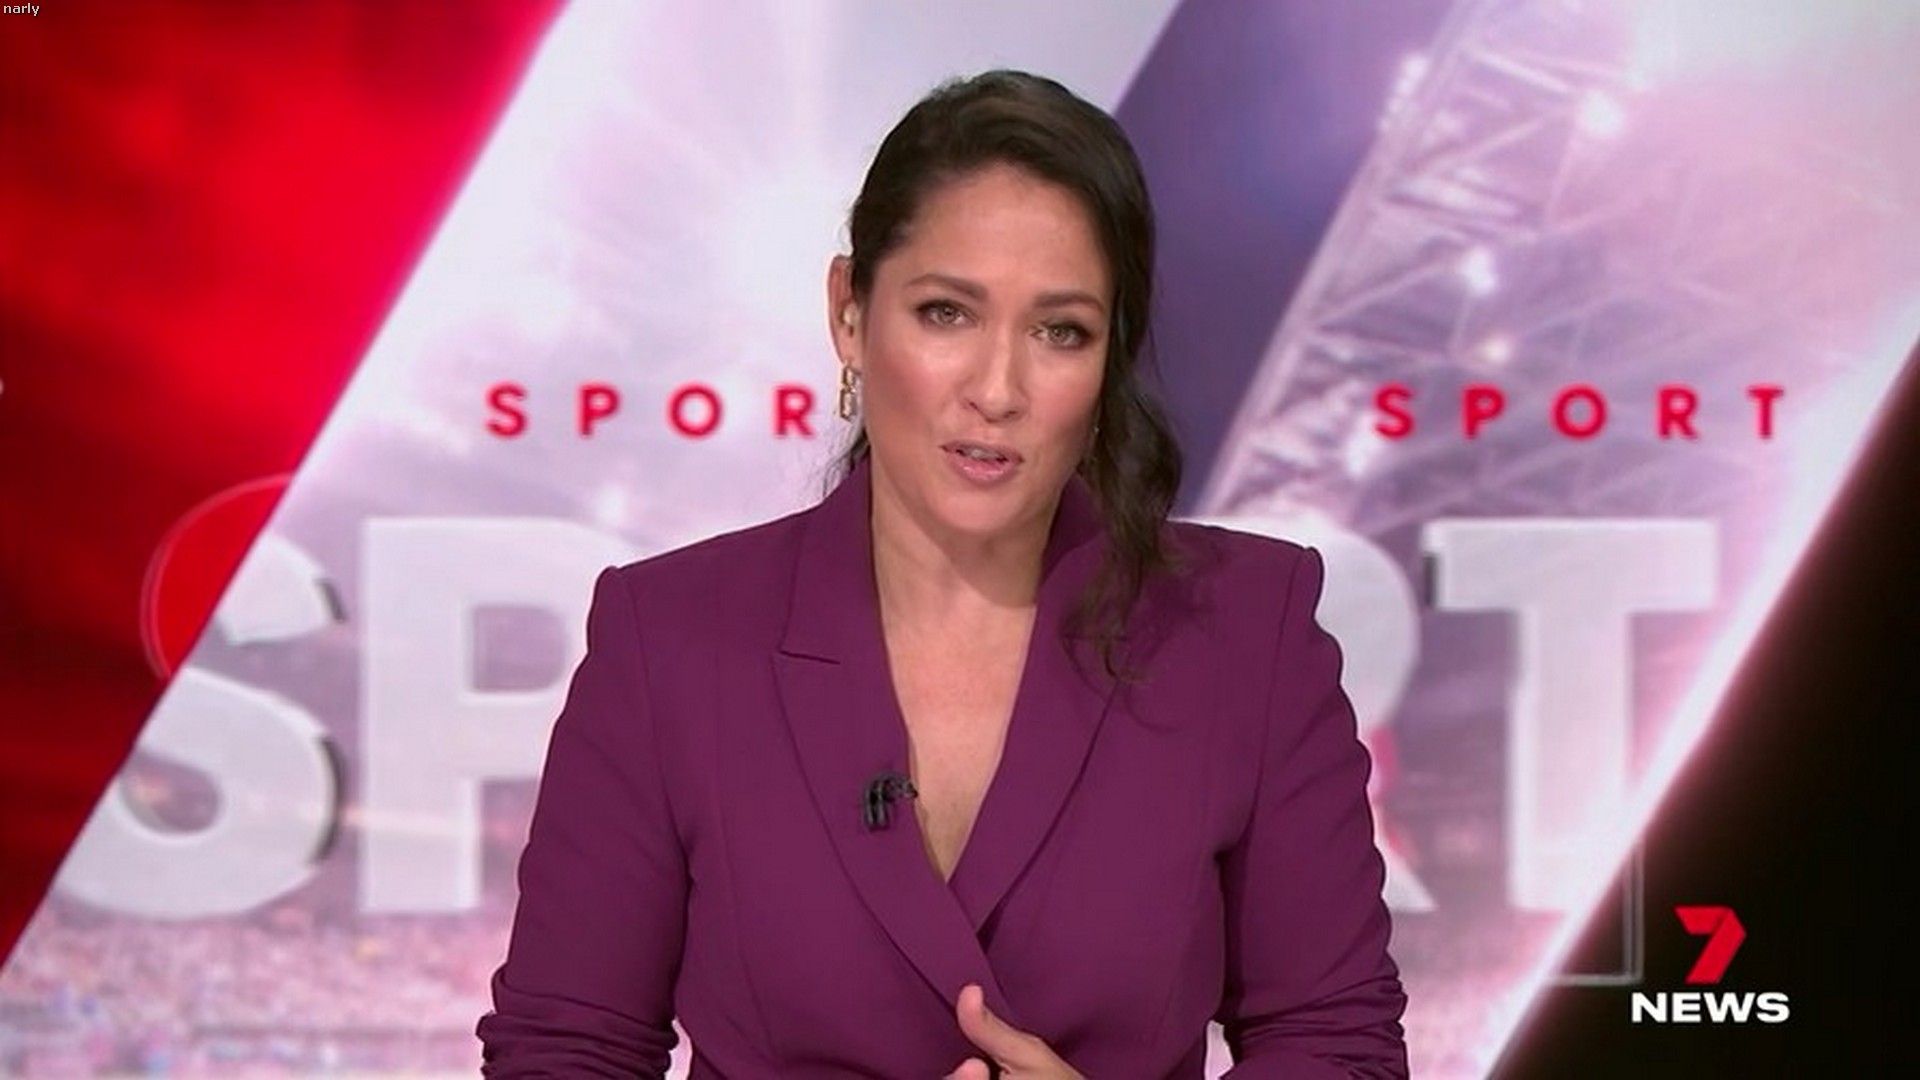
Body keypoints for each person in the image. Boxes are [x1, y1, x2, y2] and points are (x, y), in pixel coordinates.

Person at [476, 68, 1408, 1078]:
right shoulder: (668, 638)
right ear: (850, 312)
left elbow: (1337, 1046)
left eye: (1060, 331)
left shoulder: (1246, 631)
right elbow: (562, 1056)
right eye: (946, 313)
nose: (997, 389)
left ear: (1109, 361)